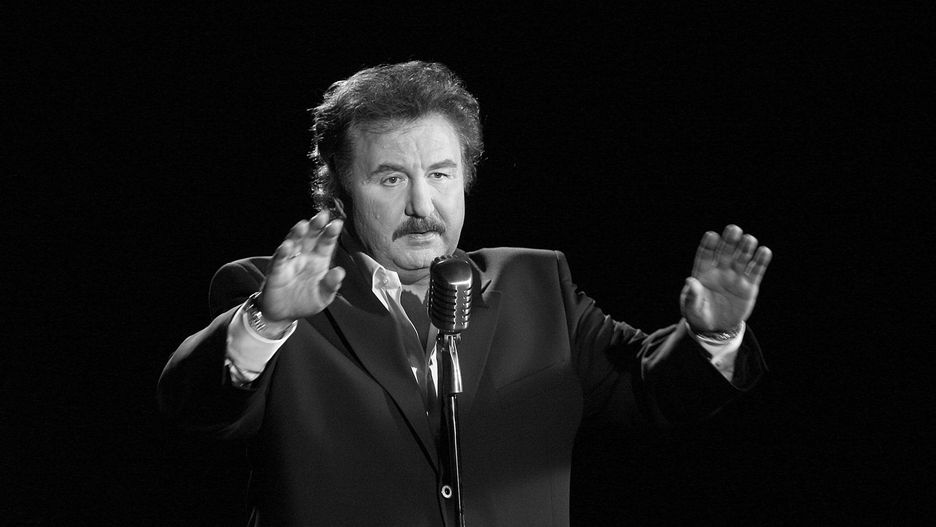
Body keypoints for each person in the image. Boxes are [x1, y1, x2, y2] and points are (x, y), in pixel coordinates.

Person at [158, 60, 772, 526]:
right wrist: (266, 322)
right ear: (339, 194)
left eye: (440, 175)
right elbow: (198, 413)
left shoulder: (539, 285)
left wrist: (713, 333)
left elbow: (651, 390)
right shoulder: (268, 293)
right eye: (390, 178)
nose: (421, 204)